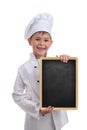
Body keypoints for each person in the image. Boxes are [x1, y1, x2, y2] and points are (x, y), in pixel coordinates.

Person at [12, 13, 70, 130]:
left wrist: (67, 64)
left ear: (51, 43)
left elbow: (65, 85)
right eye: (37, 39)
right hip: (36, 122)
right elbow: (17, 96)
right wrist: (38, 108)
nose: (42, 43)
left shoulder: (57, 63)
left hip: (57, 119)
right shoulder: (24, 68)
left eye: (46, 40)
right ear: (30, 41)